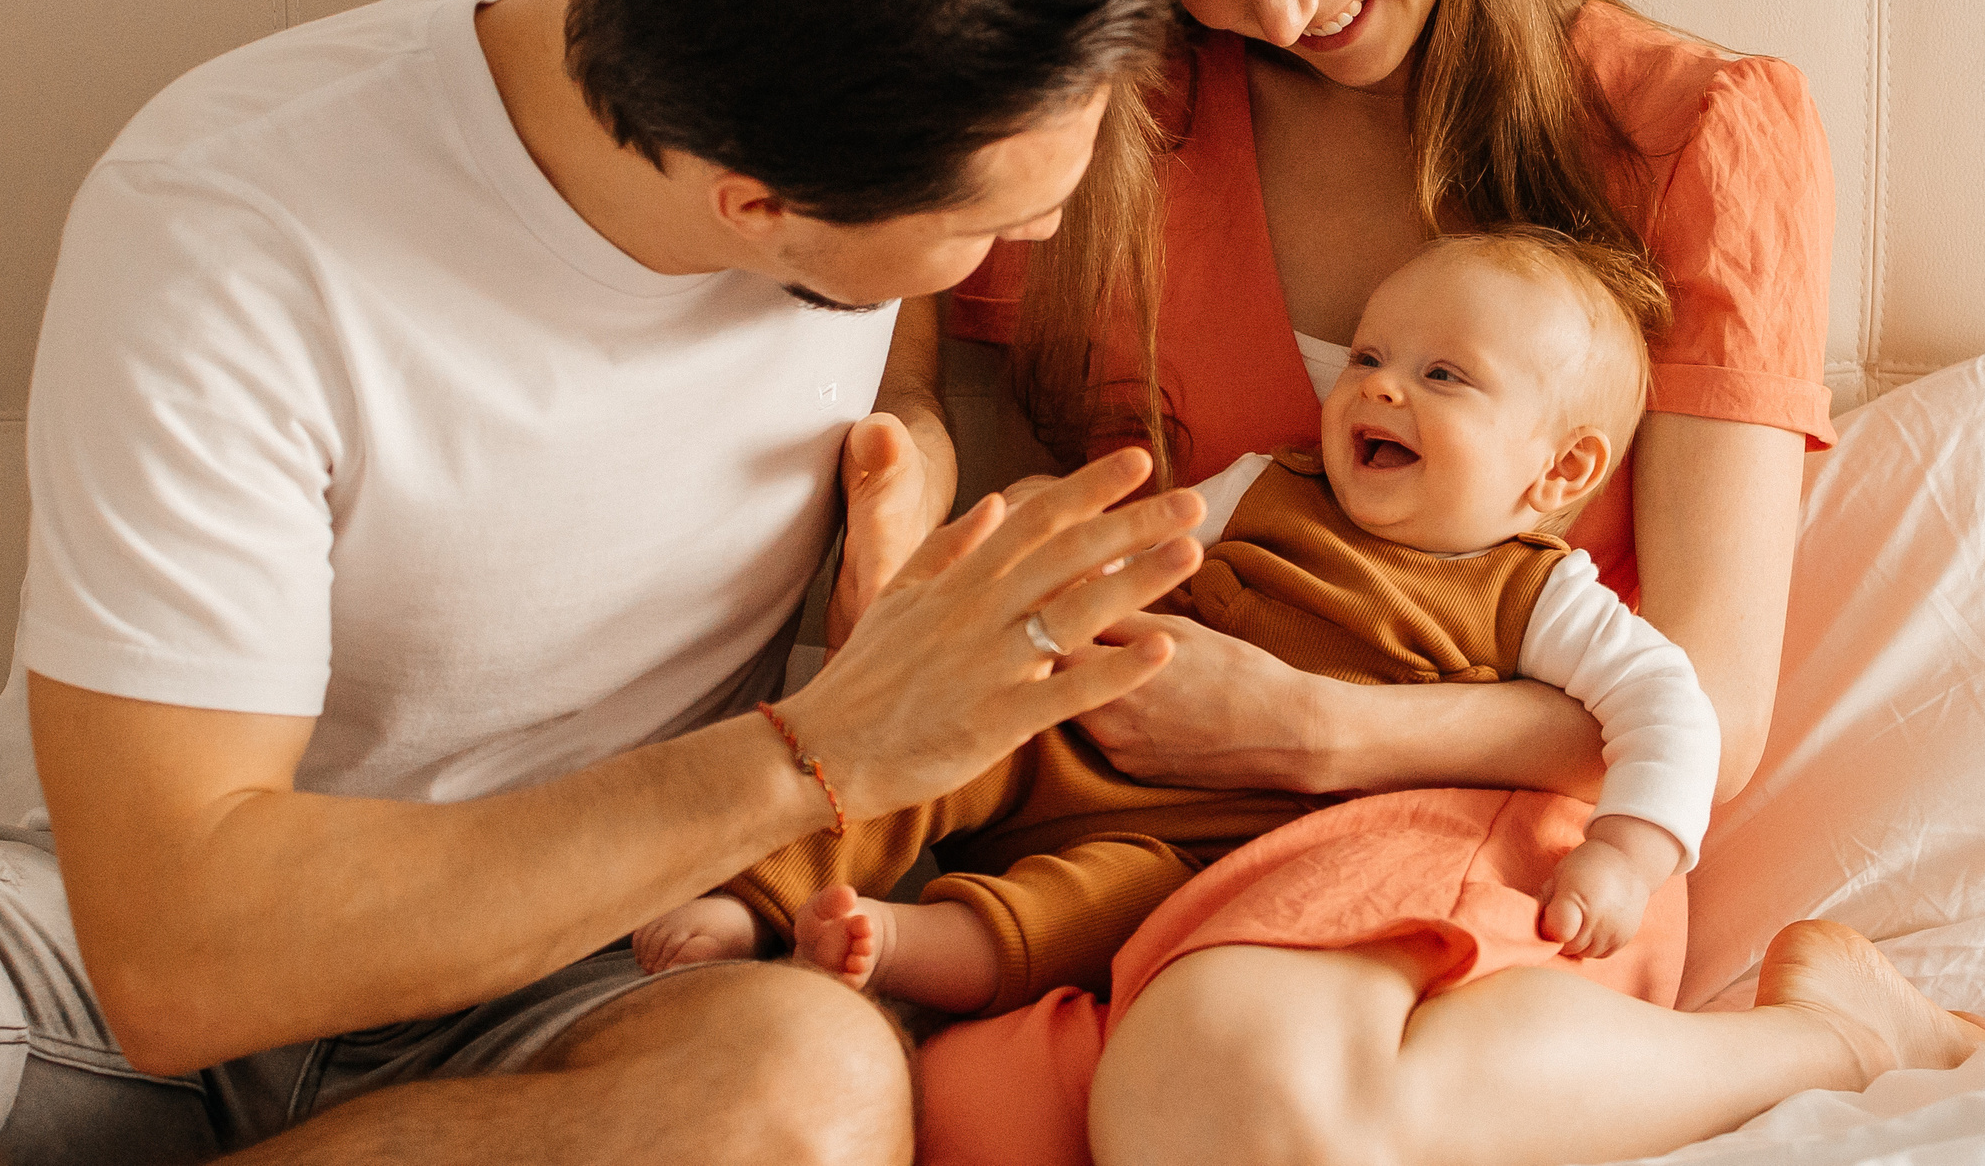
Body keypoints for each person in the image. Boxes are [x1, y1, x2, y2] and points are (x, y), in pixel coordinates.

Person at [0, 0, 1207, 1165]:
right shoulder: (232, 234)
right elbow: (176, 956)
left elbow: (886, 344)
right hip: (99, 942)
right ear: (754, 206)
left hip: (585, 976)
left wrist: (909, 470)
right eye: (993, 223)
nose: (1026, 248)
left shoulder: (837, 30)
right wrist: (827, 747)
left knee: (808, 1094)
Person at [914, 0, 1985, 1165]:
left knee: (1234, 1083)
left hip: (1499, 806)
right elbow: (911, 402)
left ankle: (1824, 1033)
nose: (1276, 13)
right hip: (1129, 823)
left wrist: (1310, 730)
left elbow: (1712, 701)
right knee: (986, 1107)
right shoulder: (1101, 141)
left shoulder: (1688, 134)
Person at [632, 228, 1718, 1012]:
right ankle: (758, 901)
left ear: (1559, 467)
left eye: (1442, 376)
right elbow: (1131, 550)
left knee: (1110, 910)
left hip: (1215, 846)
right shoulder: (1269, 484)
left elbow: (1672, 705)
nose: (1378, 391)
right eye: (1371, 359)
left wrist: (1626, 852)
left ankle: (903, 947)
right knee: (916, 757)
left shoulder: (1537, 596)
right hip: (1075, 730)